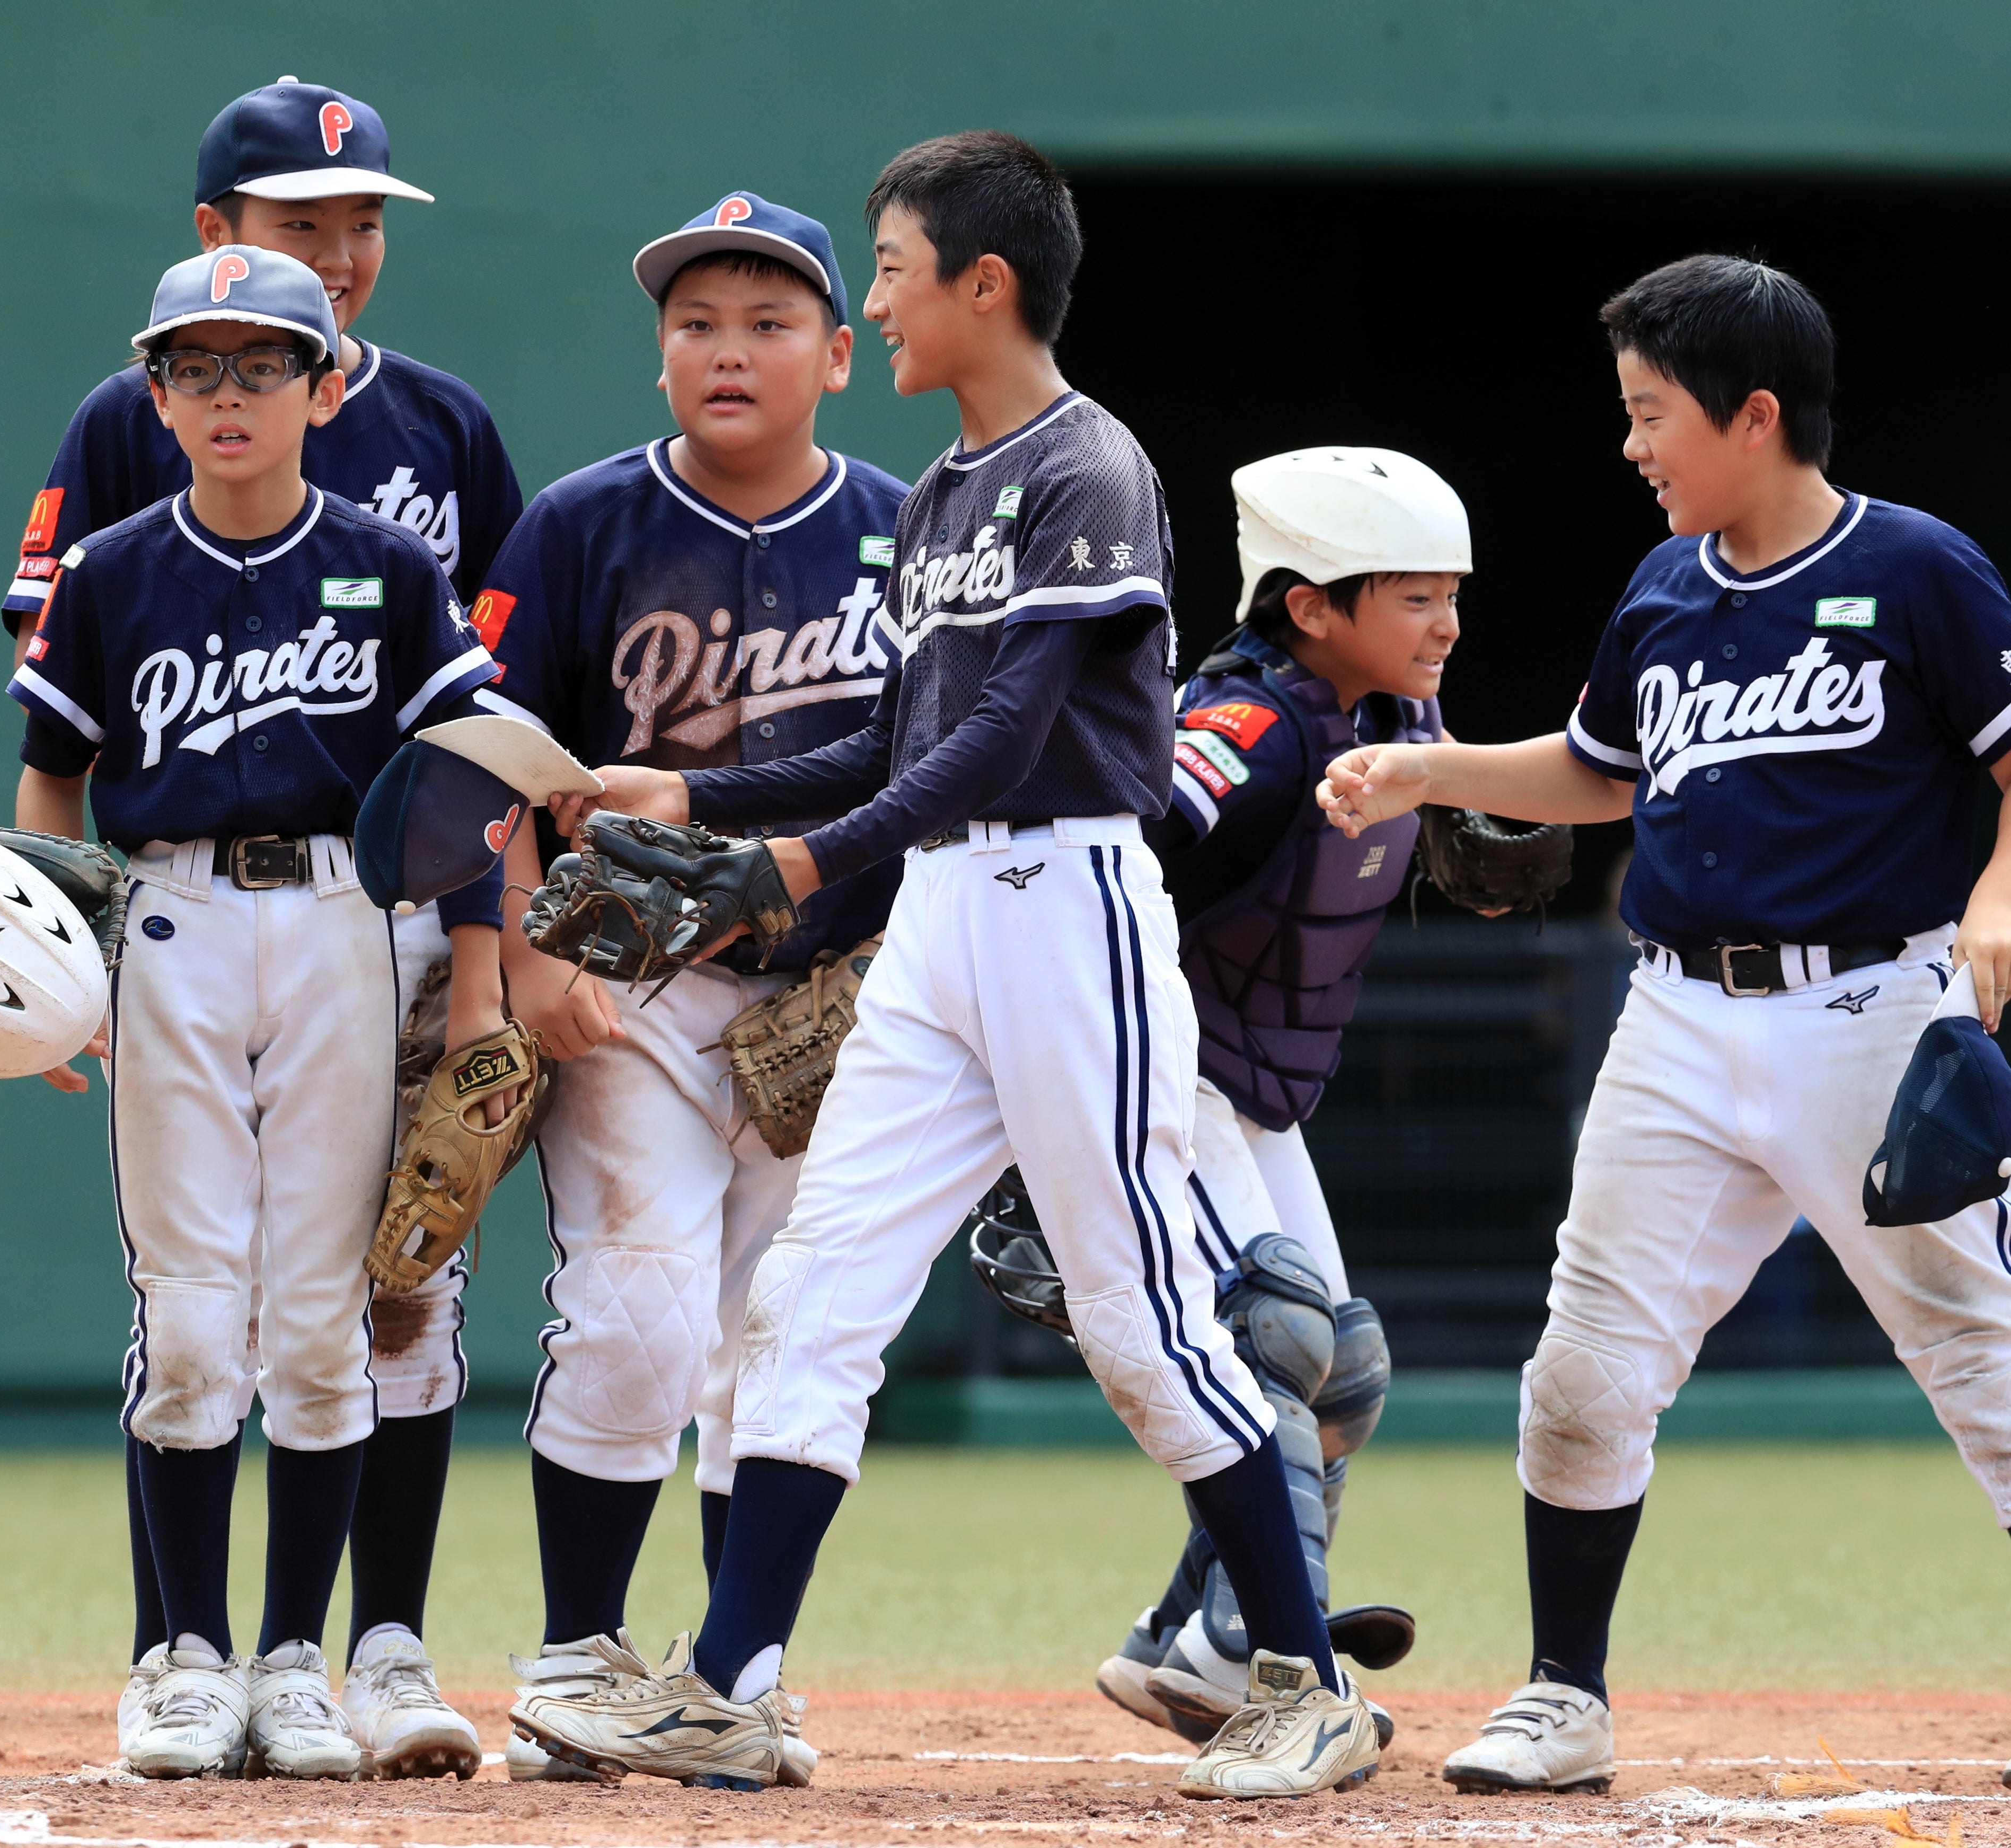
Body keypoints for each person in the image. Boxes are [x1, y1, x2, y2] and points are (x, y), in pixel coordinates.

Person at [511, 130, 1381, 1803]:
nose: (880, 303)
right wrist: (686, 788)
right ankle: (732, 1688)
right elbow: (889, 735)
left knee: (1133, 1316)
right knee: (810, 1297)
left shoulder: (1085, 467)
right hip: (946, 925)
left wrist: (798, 864)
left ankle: (1307, 1679)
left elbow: (1006, 735)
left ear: (987, 286)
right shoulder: (949, 496)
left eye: (893, 271)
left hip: (1071, 911)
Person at [1317, 254, 2011, 1796]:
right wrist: (1428, 772)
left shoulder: (1917, 572)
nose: (1630, 446)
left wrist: (1999, 893)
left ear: (1754, 415)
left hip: (1869, 1016)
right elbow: (1598, 772)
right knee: (1583, 1371)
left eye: (1652, 415)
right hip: (1680, 1023)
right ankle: (1565, 1697)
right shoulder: (1664, 590)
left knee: (1985, 1357)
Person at [0, 76, 517, 1762]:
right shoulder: (114, 570)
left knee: (322, 1309)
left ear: (318, 383)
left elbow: (473, 762)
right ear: (154, 392)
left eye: (263, 368)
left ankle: (301, 1659)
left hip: (355, 925)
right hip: (168, 924)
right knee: (193, 1309)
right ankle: (186, 1660)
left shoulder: (392, 550)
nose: (230, 395)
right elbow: (55, 780)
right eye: (196, 371)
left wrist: (493, 963)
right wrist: (51, 972)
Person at [471, 190, 907, 1784]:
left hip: (838, 995)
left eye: (768, 321)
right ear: (660, 354)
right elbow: (482, 767)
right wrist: (524, 952)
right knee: (644, 1314)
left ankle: (737, 1675)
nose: (728, 349)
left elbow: (953, 766)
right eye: (696, 323)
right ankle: (581, 1659)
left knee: (775, 1340)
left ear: (839, 355)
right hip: (633, 983)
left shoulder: (904, 528)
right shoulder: (581, 524)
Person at [1088, 448, 1468, 1745]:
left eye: (1452, 596)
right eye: (1415, 598)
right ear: (1311, 605)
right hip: (1170, 1072)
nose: (1448, 625)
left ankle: (1193, 1641)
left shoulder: (1399, 719)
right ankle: (1268, 1645)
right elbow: (1115, 866)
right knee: (1285, 1344)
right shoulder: (1244, 725)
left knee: (1342, 1374)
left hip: (1259, 1090)